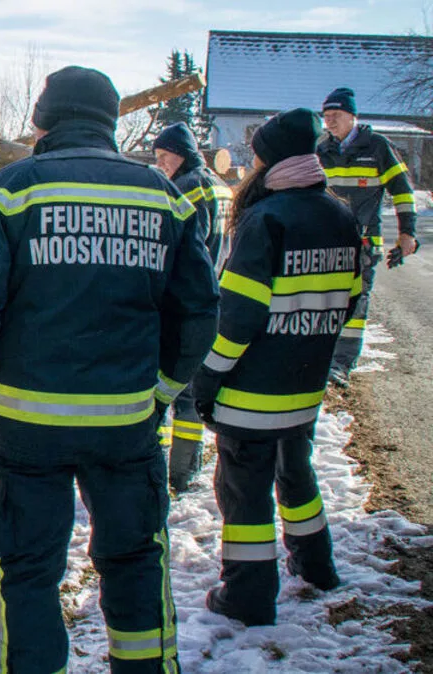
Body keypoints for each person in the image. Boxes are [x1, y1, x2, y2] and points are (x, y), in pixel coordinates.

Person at [0, 66, 219, 673]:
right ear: (111, 121)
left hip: (25, 432)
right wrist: (160, 391)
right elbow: (197, 312)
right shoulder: (160, 194)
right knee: (136, 561)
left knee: (26, 572)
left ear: (41, 121)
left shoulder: (13, 190)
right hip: (126, 428)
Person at [191, 109, 362, 626]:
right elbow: (350, 301)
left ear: (270, 162)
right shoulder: (340, 216)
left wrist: (208, 379)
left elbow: (236, 320)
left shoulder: (265, 221)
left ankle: (248, 593)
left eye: (256, 156)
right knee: (298, 476)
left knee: (244, 497)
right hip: (303, 388)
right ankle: (316, 565)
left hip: (252, 394)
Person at [317, 87, 420, 387]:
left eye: (335, 116)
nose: (330, 122)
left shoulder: (376, 147)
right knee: (325, 304)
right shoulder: (322, 150)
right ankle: (321, 359)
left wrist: (407, 233)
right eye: (326, 117)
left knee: (356, 306)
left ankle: (340, 365)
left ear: (352, 116)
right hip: (328, 244)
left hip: (363, 243)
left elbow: (402, 191)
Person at [152, 122, 235, 492]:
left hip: (185, 305)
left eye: (164, 157)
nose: (161, 164)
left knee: (173, 392)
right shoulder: (220, 184)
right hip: (217, 297)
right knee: (192, 389)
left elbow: (185, 251)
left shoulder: (187, 188)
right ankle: (188, 463)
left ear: (180, 153)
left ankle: (175, 470)